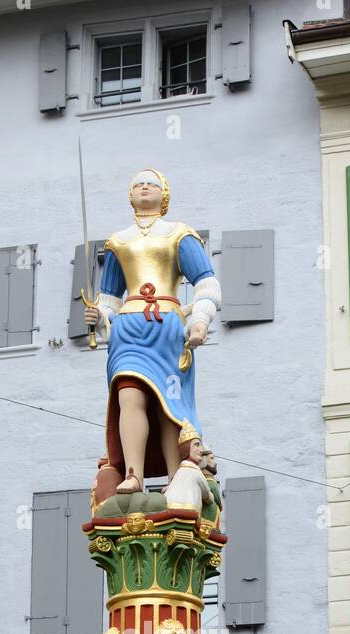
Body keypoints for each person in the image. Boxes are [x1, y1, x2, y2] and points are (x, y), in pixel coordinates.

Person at [84, 168, 221, 493]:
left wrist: (200, 320)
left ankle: (177, 477)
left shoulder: (179, 234)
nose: (145, 186)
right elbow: (110, 299)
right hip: (128, 329)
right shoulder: (118, 242)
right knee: (129, 396)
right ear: (130, 195)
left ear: (165, 194)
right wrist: (99, 315)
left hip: (167, 327)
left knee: (167, 404)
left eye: (152, 183)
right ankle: (134, 474)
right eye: (138, 184)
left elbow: (206, 281)